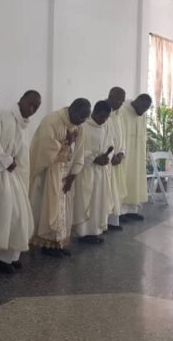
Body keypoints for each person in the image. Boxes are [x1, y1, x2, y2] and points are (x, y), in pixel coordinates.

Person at [0, 90, 42, 273]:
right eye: (30, 104)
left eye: (36, 107)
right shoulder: (3, 115)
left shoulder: (23, 124)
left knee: (17, 217)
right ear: (21, 100)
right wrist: (7, 161)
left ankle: (8, 256)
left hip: (12, 174)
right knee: (0, 216)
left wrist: (15, 165)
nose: (33, 109)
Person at [29, 98, 90, 256]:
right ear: (72, 110)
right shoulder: (51, 121)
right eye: (81, 117)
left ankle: (59, 243)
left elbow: (80, 152)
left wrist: (73, 175)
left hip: (67, 172)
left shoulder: (79, 126)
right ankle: (47, 244)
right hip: (50, 173)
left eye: (84, 118)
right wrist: (66, 143)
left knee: (64, 209)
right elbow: (43, 148)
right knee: (49, 208)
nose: (82, 121)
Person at [73, 101, 114, 245]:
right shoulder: (83, 127)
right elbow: (77, 150)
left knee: (98, 202)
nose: (104, 120)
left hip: (101, 172)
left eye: (106, 117)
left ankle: (95, 231)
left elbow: (110, 146)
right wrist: (94, 158)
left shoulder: (106, 127)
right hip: (87, 170)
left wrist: (106, 157)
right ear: (94, 113)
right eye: (102, 116)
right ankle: (83, 233)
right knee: (86, 201)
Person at [120, 94, 152, 222]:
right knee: (125, 180)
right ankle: (121, 212)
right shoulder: (123, 111)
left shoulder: (141, 113)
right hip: (125, 153)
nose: (143, 112)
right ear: (136, 102)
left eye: (146, 109)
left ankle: (132, 210)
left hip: (138, 153)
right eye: (142, 108)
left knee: (136, 180)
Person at [106, 87, 127, 231]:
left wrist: (121, 154)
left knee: (115, 191)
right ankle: (104, 222)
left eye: (122, 101)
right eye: (118, 100)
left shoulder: (118, 115)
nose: (120, 103)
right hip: (106, 161)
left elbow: (122, 138)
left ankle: (113, 221)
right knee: (106, 193)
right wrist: (110, 156)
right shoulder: (102, 112)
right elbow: (102, 139)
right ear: (110, 96)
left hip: (116, 160)